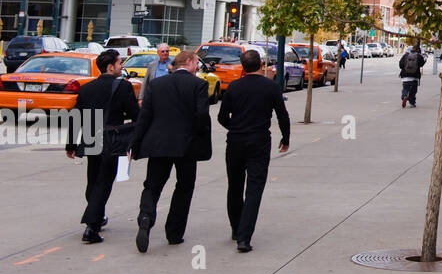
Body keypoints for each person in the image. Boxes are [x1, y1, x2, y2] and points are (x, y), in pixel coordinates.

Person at [130, 50, 211, 252]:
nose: (198, 68)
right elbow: (202, 116)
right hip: (187, 145)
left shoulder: (157, 85)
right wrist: (201, 139)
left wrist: (135, 143)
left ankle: (146, 218)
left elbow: (144, 117)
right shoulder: (198, 85)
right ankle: (174, 232)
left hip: (158, 144)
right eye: (197, 64)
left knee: (152, 185)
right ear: (190, 62)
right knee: (184, 188)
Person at [217, 49, 289, 252]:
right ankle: (244, 237)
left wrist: (235, 127)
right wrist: (286, 137)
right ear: (261, 64)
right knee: (254, 189)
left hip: (236, 142)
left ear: (242, 66)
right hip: (259, 141)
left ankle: (235, 227)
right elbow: (282, 115)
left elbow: (222, 116)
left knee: (235, 185)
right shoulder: (271, 87)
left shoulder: (233, 87)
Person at [65, 49, 138, 244]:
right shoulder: (123, 86)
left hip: (90, 136)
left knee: (93, 179)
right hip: (110, 139)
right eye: (120, 62)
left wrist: (70, 145)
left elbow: (75, 116)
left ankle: (97, 216)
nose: (122, 66)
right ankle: (92, 227)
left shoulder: (87, 88)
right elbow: (135, 114)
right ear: (110, 67)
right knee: (104, 182)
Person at [398, 42, 425, 108]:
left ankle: (404, 96)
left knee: (405, 88)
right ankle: (412, 103)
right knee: (413, 91)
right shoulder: (419, 56)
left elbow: (400, 64)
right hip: (415, 77)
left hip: (405, 76)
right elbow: (422, 64)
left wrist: (404, 69)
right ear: (418, 50)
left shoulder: (406, 55)